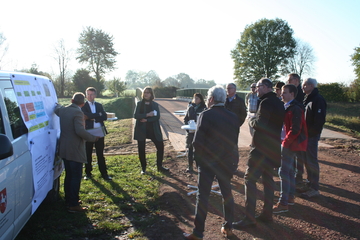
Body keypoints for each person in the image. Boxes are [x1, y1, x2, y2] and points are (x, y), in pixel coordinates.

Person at [183, 85, 239, 240]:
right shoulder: (233, 117)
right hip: (226, 161)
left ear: (212, 99)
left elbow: (197, 142)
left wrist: (198, 161)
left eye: (208, 98)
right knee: (227, 194)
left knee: (203, 197)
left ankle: (198, 232)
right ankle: (228, 227)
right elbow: (234, 141)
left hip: (208, 162)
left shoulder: (205, 115)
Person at [233, 78, 285, 228]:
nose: (256, 89)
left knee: (249, 180)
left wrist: (251, 120)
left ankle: (249, 217)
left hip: (261, 150)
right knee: (268, 182)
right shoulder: (279, 103)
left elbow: (261, 124)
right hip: (273, 148)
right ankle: (267, 214)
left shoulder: (266, 102)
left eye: (259, 86)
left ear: (267, 87)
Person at [54, 92, 99, 213]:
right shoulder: (78, 112)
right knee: (75, 177)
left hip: (64, 148)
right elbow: (79, 131)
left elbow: (57, 108)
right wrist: (92, 138)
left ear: (71, 100)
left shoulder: (63, 110)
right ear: (83, 104)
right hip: (74, 149)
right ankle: (73, 204)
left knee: (69, 175)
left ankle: (69, 200)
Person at [273, 84, 308, 213]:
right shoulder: (288, 107)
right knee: (289, 171)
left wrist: (285, 143)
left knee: (283, 172)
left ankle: (283, 203)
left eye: (284, 92)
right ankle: (290, 197)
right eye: (282, 92)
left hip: (289, 145)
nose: (281, 95)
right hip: (289, 143)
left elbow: (295, 129)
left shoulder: (295, 108)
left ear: (292, 94)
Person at [301, 78, 327, 198]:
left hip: (311, 136)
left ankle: (314, 188)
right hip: (306, 135)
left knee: (311, 161)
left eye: (305, 85)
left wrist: (311, 134)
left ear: (311, 86)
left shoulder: (318, 99)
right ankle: (309, 183)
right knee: (307, 160)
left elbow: (319, 120)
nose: (303, 87)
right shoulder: (308, 98)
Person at [134, 87, 169, 174]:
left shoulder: (155, 104)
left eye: (148, 93)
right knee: (141, 149)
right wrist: (147, 114)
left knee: (160, 146)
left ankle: (159, 166)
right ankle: (143, 168)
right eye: (145, 92)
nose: (146, 94)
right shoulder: (139, 104)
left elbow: (157, 117)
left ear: (151, 94)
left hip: (153, 129)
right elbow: (136, 115)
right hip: (141, 129)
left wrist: (147, 119)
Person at [82, 87, 112, 181]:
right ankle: (88, 173)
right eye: (88, 94)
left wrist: (93, 117)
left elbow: (104, 116)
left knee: (100, 154)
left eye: (91, 94)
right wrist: (97, 115)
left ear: (95, 95)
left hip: (100, 132)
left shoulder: (99, 105)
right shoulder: (83, 106)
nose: (89, 96)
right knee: (88, 153)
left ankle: (104, 174)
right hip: (88, 133)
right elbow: (85, 116)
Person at [287, 73, 306, 185]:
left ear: (296, 80)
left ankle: (298, 176)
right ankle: (294, 174)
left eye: (290, 80)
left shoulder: (300, 95)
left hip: (298, 129)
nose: (288, 82)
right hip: (293, 127)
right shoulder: (293, 92)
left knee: (299, 155)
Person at [225, 83, 247, 172]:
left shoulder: (239, 100)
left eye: (230, 88)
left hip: (234, 127)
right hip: (224, 127)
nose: (228, 90)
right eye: (227, 88)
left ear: (234, 89)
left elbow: (243, 114)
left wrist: (238, 124)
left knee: (233, 145)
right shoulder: (224, 99)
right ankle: (225, 164)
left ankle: (234, 165)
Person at [183, 93, 206, 172]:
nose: (195, 100)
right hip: (190, 133)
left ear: (201, 99)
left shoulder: (204, 108)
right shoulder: (191, 108)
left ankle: (199, 167)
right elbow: (185, 119)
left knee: (199, 151)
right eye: (194, 98)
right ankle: (190, 167)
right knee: (190, 149)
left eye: (197, 98)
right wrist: (188, 127)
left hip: (200, 133)